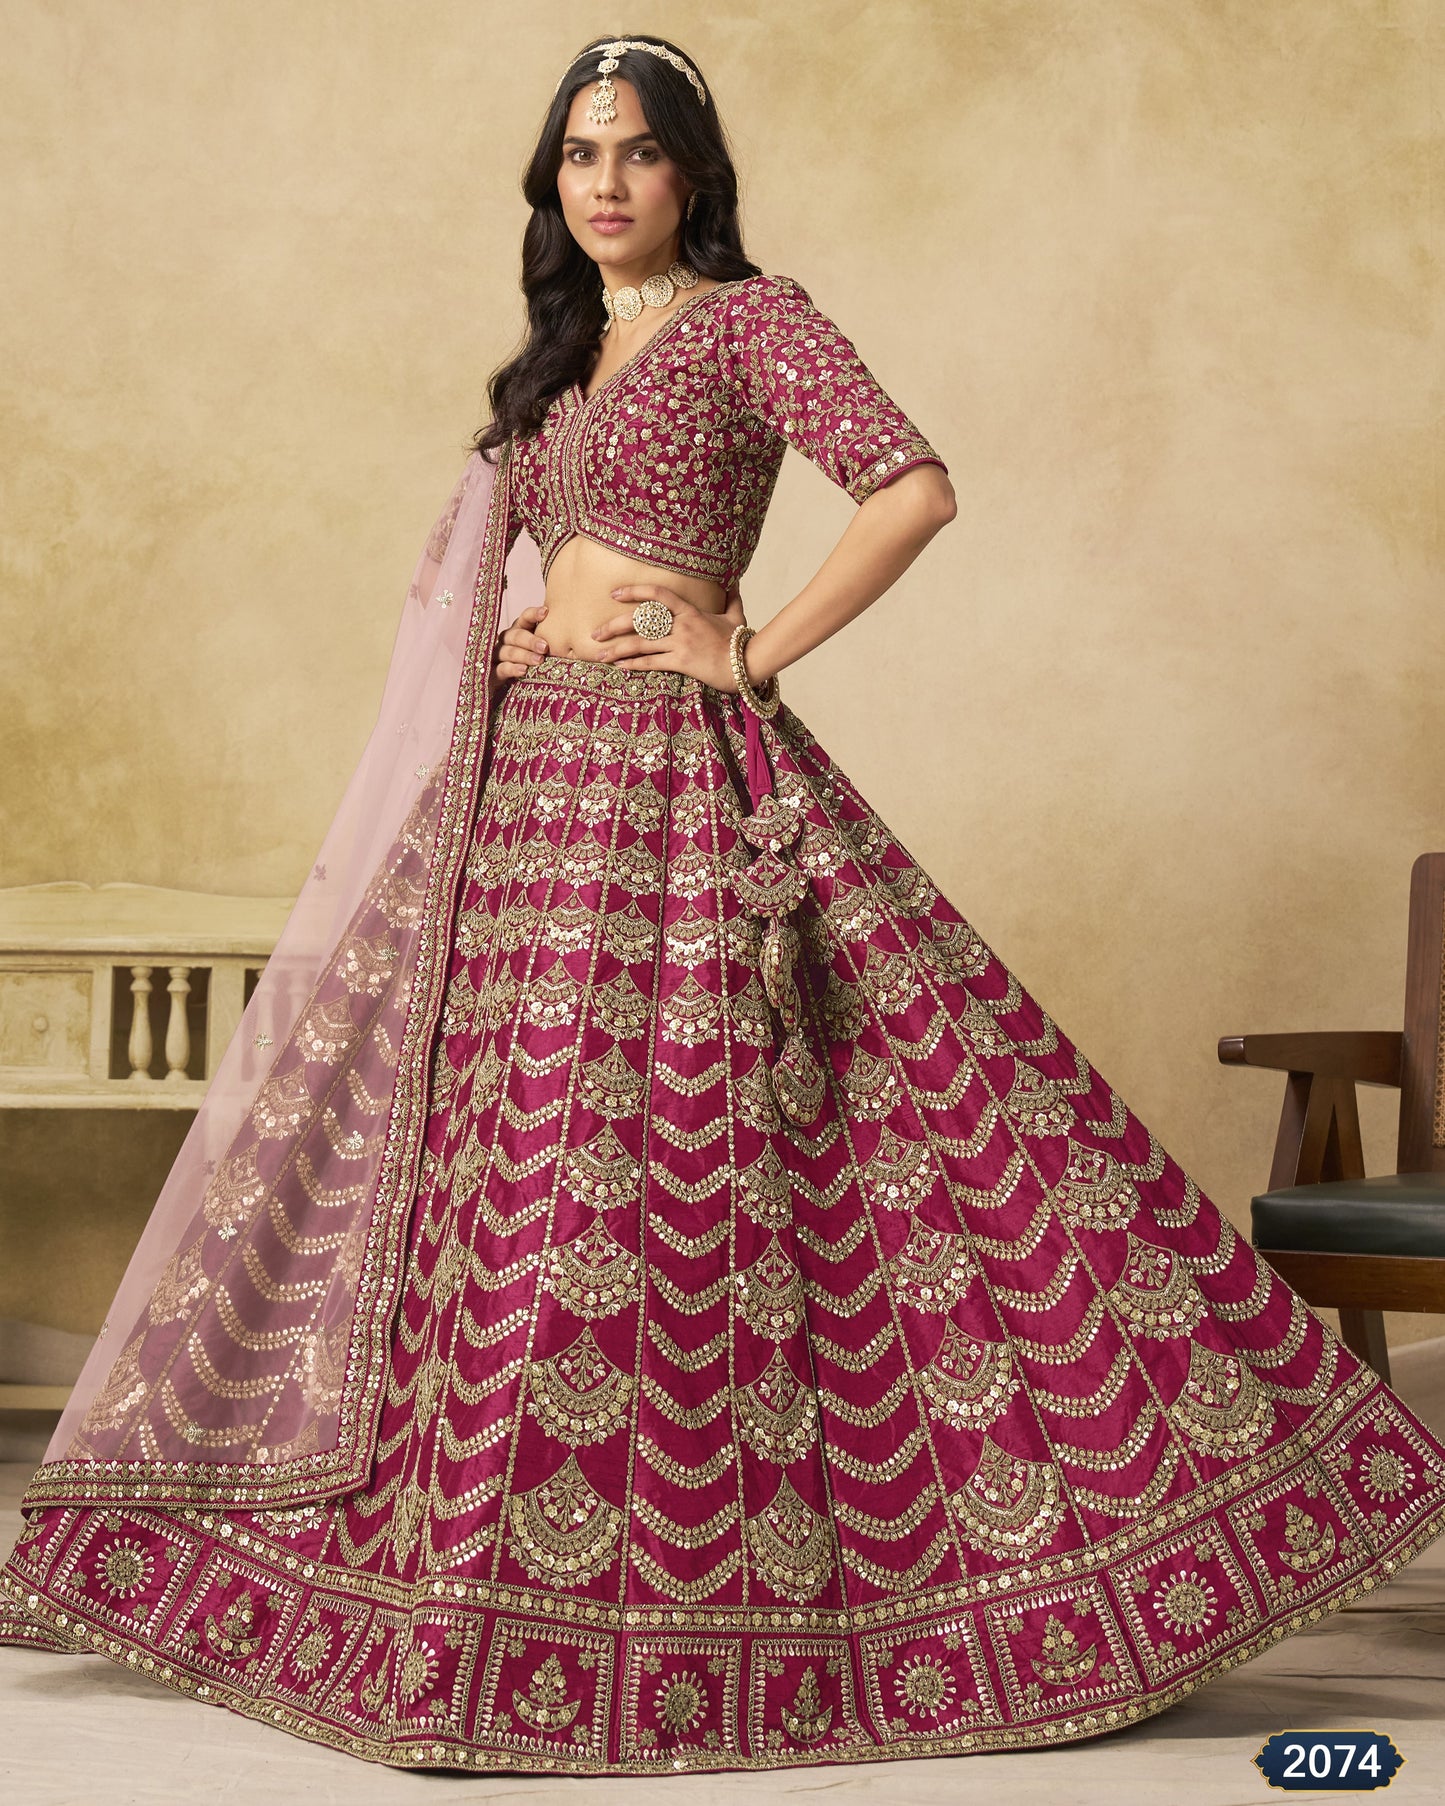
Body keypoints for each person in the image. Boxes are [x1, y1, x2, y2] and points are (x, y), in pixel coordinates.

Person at [3, 33, 1443, 1778]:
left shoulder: (757, 321)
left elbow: (913, 486)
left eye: (634, 153)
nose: (601, 184)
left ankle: (709, 1602)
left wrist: (741, 647)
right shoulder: (554, 360)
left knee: (666, 1162)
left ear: (693, 173)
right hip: (521, 796)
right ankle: (461, 1595)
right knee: (491, 1172)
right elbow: (518, 566)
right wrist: (522, 629)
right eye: (576, 157)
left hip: (680, 795)